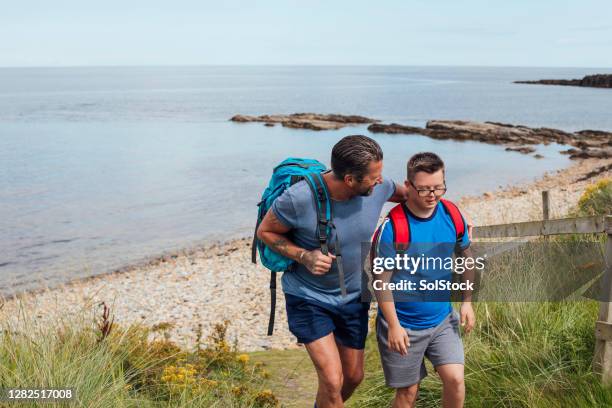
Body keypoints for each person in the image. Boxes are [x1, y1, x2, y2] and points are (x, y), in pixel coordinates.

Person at [256, 135, 409, 408]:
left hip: (352, 298)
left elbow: (412, 195)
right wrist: (304, 256)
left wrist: (455, 219)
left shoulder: (379, 187)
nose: (380, 181)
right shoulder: (298, 199)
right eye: (373, 177)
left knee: (352, 377)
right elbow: (265, 232)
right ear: (350, 179)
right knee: (331, 379)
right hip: (308, 297)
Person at [373, 152, 476, 408]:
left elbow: (466, 257)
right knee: (408, 393)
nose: (432, 196)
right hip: (403, 324)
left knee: (455, 380)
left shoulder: (452, 214)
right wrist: (394, 326)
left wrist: (467, 302)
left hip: (442, 319)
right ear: (408, 187)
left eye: (438, 188)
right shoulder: (394, 227)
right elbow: (380, 282)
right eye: (424, 190)